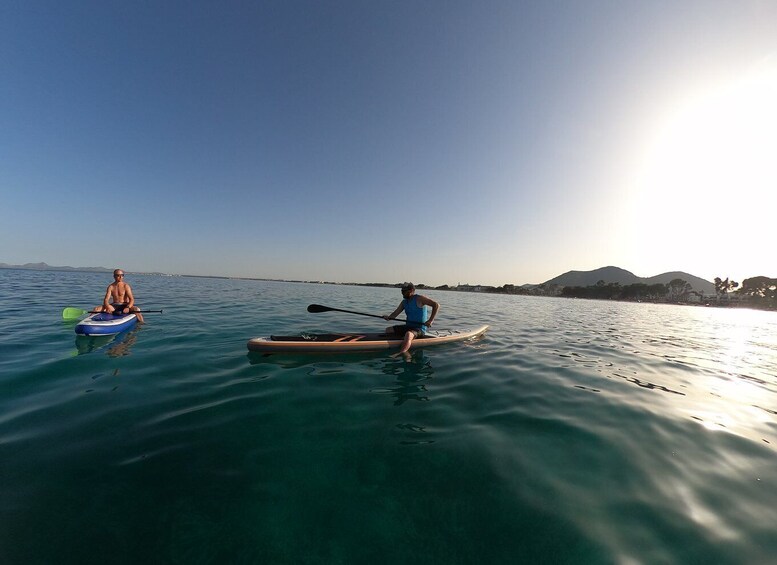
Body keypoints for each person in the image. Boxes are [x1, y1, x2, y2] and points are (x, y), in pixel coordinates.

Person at [383, 282, 440, 354]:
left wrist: (430, 320)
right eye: (402, 291)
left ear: (411, 290)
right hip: (408, 327)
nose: (402, 293)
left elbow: (436, 305)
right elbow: (395, 314)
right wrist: (388, 317)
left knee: (409, 334)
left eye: (404, 291)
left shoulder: (419, 298)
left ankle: (402, 352)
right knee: (388, 330)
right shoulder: (404, 302)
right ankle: (398, 343)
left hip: (419, 329)